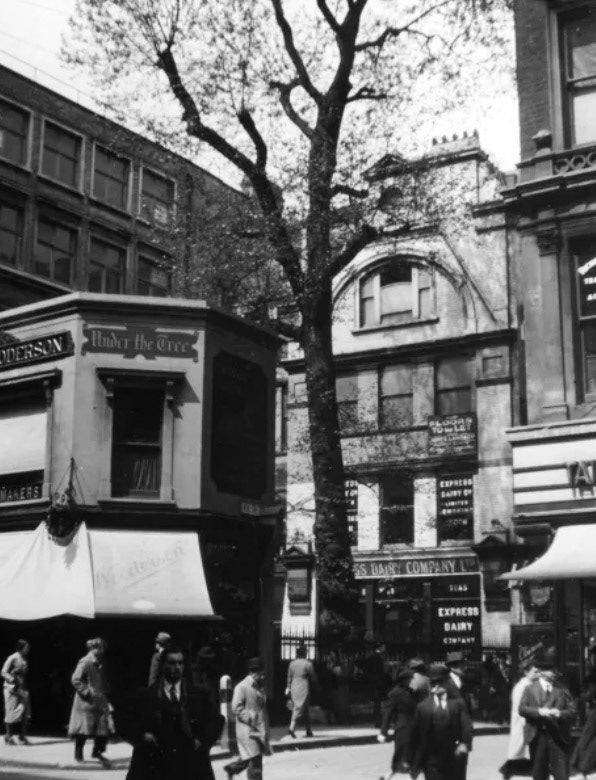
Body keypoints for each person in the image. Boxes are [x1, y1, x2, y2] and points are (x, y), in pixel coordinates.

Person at [119, 644, 223, 780]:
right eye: (172, 663)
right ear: (162, 665)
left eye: (180, 663)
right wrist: (142, 736)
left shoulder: (197, 695)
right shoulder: (147, 696)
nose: (177, 667)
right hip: (156, 766)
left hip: (190, 765)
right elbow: (124, 721)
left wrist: (202, 740)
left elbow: (217, 720)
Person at [408, 663, 473, 780]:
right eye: (433, 683)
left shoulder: (458, 704)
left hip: (454, 757)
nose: (437, 686)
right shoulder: (423, 707)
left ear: (447, 682)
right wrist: (413, 764)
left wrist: (465, 743)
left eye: (440, 682)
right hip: (431, 758)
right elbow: (414, 736)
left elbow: (467, 726)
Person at [518, 655, 576, 780]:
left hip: (559, 738)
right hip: (538, 737)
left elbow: (572, 711)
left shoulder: (562, 690)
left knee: (561, 775)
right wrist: (539, 711)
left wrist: (560, 713)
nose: (555, 673)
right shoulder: (530, 689)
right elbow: (522, 709)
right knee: (539, 774)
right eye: (552, 670)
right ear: (542, 673)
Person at [224, 657, 271, 780]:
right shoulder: (242, 687)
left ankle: (232, 768)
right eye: (261, 674)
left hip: (257, 731)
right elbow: (236, 707)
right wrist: (252, 718)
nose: (263, 676)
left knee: (251, 758)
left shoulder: (258, 687)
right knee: (255, 765)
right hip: (247, 731)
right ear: (253, 672)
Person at [68, 637, 113, 764]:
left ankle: (97, 752)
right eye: (101, 647)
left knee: (102, 728)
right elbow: (75, 679)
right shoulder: (86, 661)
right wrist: (87, 692)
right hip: (86, 701)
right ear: (95, 648)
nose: (103, 649)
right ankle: (78, 755)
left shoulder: (99, 661)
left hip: (99, 699)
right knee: (83, 729)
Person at [499, 659, 540, 780]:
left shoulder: (530, 685)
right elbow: (518, 708)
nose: (537, 674)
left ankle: (510, 772)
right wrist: (524, 723)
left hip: (528, 724)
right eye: (535, 671)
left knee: (522, 752)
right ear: (526, 672)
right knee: (518, 751)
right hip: (522, 723)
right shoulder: (521, 687)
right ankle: (507, 772)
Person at [377, 666, 417, 777]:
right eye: (410, 678)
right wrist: (383, 732)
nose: (411, 681)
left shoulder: (411, 692)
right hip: (403, 729)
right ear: (404, 679)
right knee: (403, 757)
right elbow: (387, 714)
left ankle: (387, 776)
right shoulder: (394, 694)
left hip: (413, 729)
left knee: (410, 757)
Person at [572, 645, 596, 777]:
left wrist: (581, 697)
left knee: (587, 735)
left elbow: (590, 694)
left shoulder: (594, 672)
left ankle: (578, 763)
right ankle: (583, 765)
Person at [1, 639, 31, 745]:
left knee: (25, 712)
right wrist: (11, 678)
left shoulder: (24, 659)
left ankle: (22, 736)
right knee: (11, 712)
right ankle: (8, 736)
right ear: (21, 648)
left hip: (22, 689)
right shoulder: (13, 657)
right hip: (11, 688)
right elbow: (3, 672)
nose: (28, 649)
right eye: (26, 647)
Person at [286, 644, 317, 738]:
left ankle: (308, 730)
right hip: (303, 686)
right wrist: (317, 686)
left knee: (305, 709)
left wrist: (288, 687)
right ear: (304, 653)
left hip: (294, 686)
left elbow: (289, 677)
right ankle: (291, 728)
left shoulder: (292, 664)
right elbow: (313, 677)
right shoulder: (308, 664)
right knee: (299, 707)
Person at [365, 642, 390, 729]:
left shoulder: (370, 657)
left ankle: (377, 721)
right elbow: (383, 670)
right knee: (379, 703)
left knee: (377, 703)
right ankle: (379, 722)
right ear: (381, 647)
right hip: (379, 682)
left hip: (373, 682)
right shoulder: (381, 658)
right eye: (384, 647)